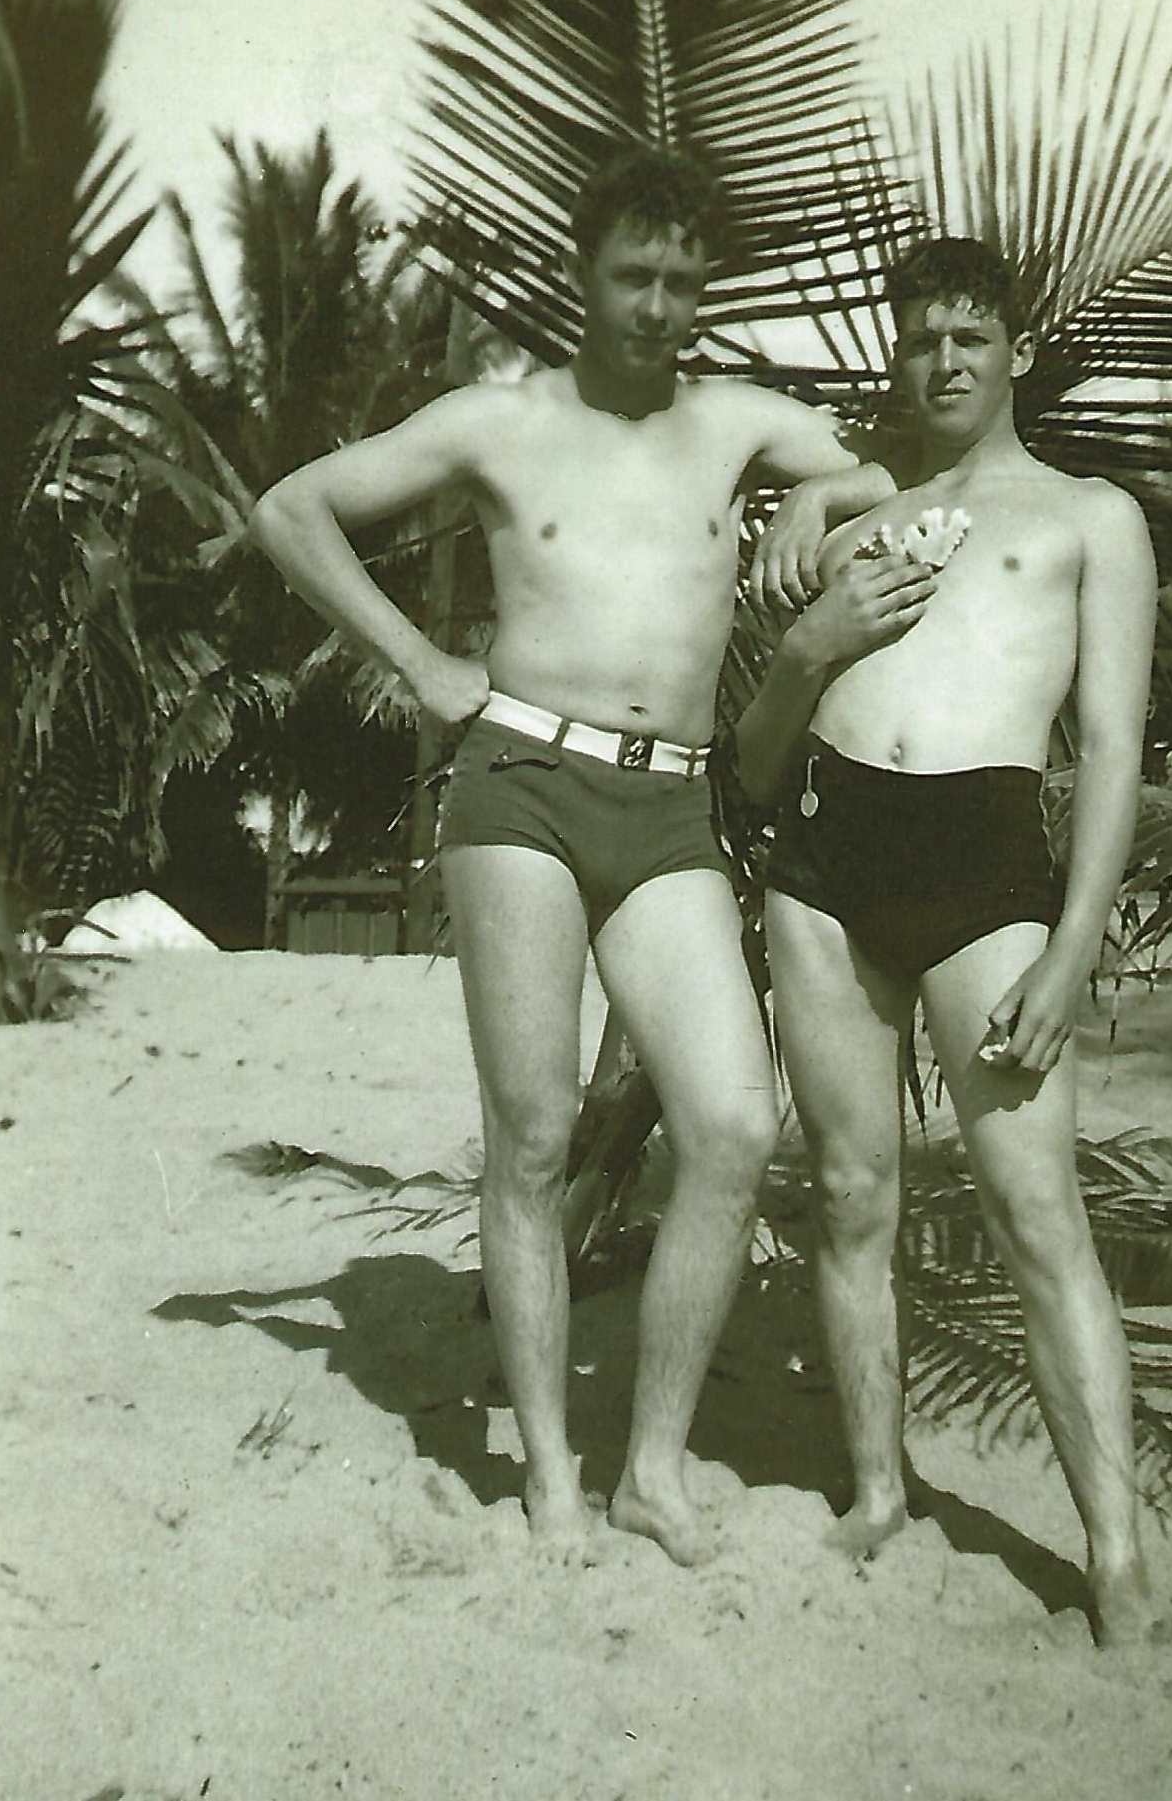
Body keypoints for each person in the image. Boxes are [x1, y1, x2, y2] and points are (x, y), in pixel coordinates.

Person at [250, 142, 895, 1567]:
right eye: (631, 276)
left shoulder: (730, 422)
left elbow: (887, 468)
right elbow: (290, 508)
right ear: (579, 274)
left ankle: (651, 1466)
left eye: (682, 281)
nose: (658, 306)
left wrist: (814, 496)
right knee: (534, 1131)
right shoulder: (499, 419)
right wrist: (416, 653)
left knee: (733, 1123)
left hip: (671, 807)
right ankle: (547, 1469)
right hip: (521, 787)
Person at [734, 236, 1158, 1644]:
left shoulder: (1090, 517)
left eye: (970, 336)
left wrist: (1073, 943)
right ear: (895, 353)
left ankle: (1114, 1554)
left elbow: (1105, 746)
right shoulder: (854, 526)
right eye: (919, 337)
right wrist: (812, 586)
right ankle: (875, 1491)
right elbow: (752, 758)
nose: (944, 359)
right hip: (824, 854)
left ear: (1017, 351)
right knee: (849, 1194)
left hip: (986, 866)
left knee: (1040, 1216)